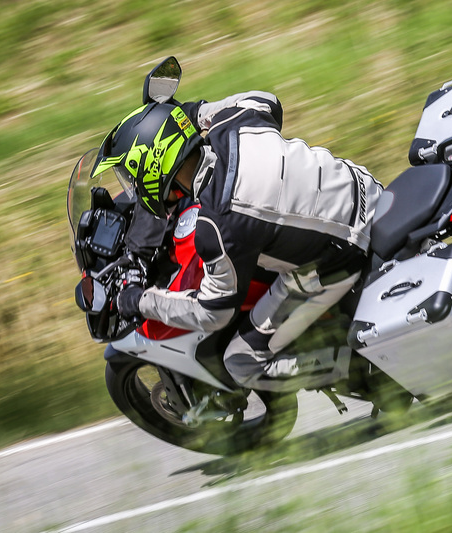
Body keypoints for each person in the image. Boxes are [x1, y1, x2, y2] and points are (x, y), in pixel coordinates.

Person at [92, 91, 382, 392]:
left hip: (343, 253)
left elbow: (214, 311)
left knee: (242, 363)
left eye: (132, 177)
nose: (135, 189)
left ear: (152, 170)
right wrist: (195, 112)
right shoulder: (236, 123)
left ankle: (358, 369)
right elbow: (266, 100)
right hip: (365, 188)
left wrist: (139, 300)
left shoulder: (217, 226)